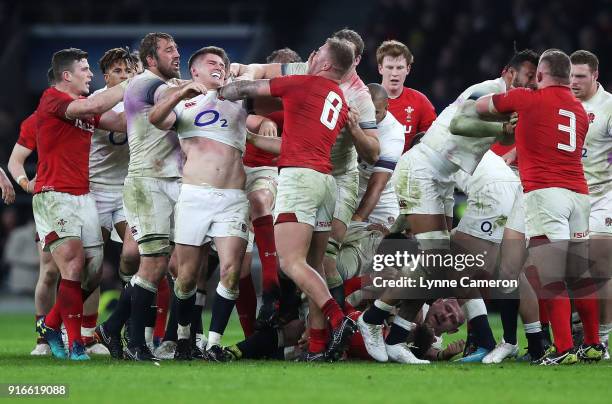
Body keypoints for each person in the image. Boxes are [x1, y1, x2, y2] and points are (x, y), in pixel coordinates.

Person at [219, 37, 358, 361]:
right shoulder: (338, 97)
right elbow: (290, 145)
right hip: (326, 182)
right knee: (313, 268)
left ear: (326, 64)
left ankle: (338, 321)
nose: (311, 54)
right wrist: (251, 137)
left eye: (317, 52)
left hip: (300, 181)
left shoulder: (303, 84)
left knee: (290, 262)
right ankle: (317, 346)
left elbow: (243, 91)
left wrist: (222, 87)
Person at [474, 49, 601, 365]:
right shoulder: (580, 111)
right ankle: (595, 344)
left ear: (541, 75)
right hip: (579, 195)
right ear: (567, 77)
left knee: (551, 276)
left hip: (545, 195)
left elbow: (481, 105)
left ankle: (563, 350)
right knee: (580, 275)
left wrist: (511, 111)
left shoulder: (526, 99)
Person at [149, 46, 264, 361]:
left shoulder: (238, 97)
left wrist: (243, 71)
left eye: (223, 63)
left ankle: (213, 344)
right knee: (186, 276)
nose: (220, 66)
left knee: (230, 271)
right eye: (212, 63)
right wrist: (179, 91)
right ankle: (185, 338)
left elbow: (261, 78)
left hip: (232, 199)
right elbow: (155, 118)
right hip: (194, 195)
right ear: (195, 70)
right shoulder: (184, 101)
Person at [33, 47, 127, 361]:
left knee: (93, 272)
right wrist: (128, 84)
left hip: (83, 195)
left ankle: (50, 325)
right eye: (85, 69)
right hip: (54, 194)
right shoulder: (53, 99)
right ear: (66, 76)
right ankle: (75, 345)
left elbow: (120, 122)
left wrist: (157, 94)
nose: (90, 75)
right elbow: (91, 106)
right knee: (72, 264)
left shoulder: (87, 109)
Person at [96, 32, 183, 361]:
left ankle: (115, 326)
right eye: (168, 50)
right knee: (153, 261)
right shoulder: (144, 85)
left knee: (170, 265)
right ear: (150, 59)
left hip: (172, 181)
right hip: (148, 182)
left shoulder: (166, 86)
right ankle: (136, 340)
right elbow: (170, 98)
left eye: (177, 48)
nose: (176, 54)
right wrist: (193, 87)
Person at [569, 50, 612, 358]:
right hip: (571, 196)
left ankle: (604, 339)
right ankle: (584, 335)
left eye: (581, 76)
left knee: (599, 267)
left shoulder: (609, 107)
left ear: (595, 75)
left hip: (604, 195)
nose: (574, 82)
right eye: (570, 75)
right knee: (573, 271)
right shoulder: (563, 104)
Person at [376, 40, 436, 152]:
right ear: (380, 69)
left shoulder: (420, 102)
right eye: (389, 67)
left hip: (406, 168)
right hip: (368, 167)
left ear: (408, 69)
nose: (394, 73)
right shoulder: (365, 98)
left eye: (399, 68)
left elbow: (433, 142)